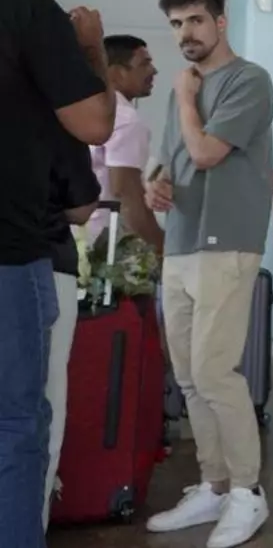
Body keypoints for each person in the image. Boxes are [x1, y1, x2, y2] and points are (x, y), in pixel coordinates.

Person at [0, 0, 115, 548]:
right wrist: (92, 50)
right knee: (18, 424)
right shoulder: (33, 15)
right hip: (11, 249)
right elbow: (95, 123)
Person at [141, 0, 273, 547]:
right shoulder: (184, 88)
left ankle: (247, 491)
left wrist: (186, 100)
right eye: (176, 24)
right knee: (190, 376)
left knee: (216, 372)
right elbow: (167, 160)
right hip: (182, 241)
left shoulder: (248, 80)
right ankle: (214, 484)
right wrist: (154, 185)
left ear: (220, 22)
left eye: (195, 20)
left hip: (227, 243)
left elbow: (205, 152)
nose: (185, 33)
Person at [43, 127, 101, 530]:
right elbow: (81, 207)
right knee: (45, 400)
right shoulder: (57, 119)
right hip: (44, 258)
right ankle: (30, 525)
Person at [89, 35, 163, 250]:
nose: (154, 71)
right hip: (103, 245)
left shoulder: (83, 112)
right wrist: (160, 246)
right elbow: (126, 194)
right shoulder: (125, 119)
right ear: (115, 73)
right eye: (144, 64)